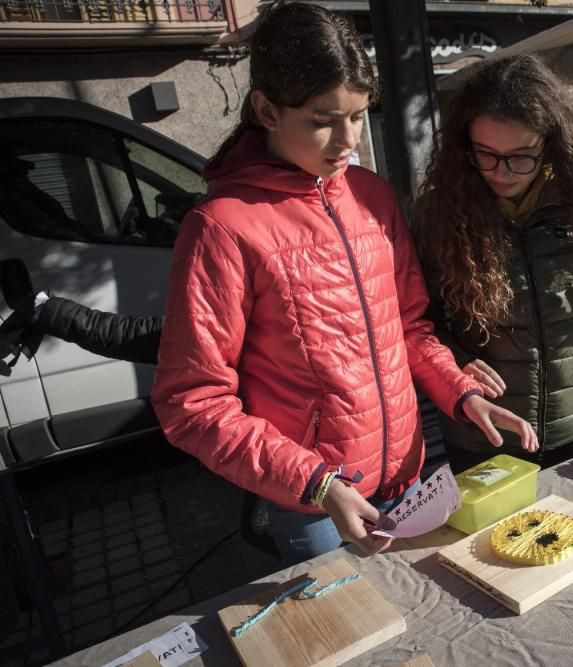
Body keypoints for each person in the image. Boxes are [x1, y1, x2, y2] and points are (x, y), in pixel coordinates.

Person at [150, 3, 537, 565]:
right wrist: (316, 482)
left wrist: (460, 391)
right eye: (322, 118)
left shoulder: (372, 195)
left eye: (358, 115)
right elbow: (193, 403)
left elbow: (407, 327)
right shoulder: (223, 226)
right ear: (266, 110)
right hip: (312, 501)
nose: (346, 138)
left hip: (406, 472)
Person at [410, 53, 573, 473]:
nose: (502, 172)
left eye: (522, 156)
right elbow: (417, 320)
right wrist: (453, 367)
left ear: (551, 145)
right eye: (485, 154)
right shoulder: (439, 213)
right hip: (484, 430)